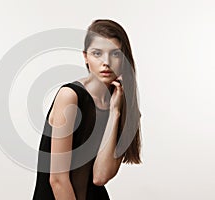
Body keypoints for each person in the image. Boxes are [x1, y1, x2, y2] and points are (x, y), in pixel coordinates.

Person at [32, 19, 142, 200]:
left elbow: (100, 177)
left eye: (115, 54)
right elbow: (58, 180)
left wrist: (115, 114)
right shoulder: (70, 96)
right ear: (85, 57)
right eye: (97, 53)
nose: (106, 62)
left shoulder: (121, 104)